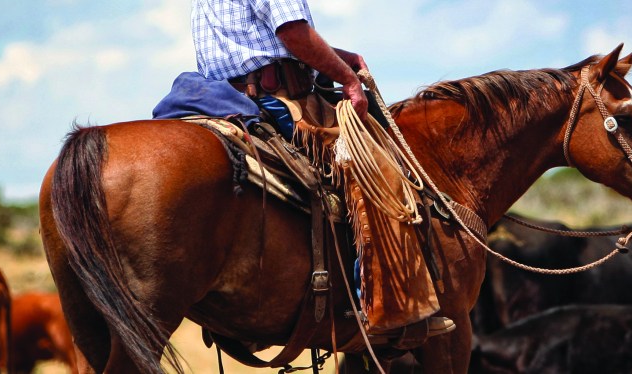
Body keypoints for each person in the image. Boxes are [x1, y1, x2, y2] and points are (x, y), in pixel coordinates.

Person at [188, 0, 454, 343]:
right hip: (277, 99)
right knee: (377, 168)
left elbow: (263, 40)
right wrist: (348, 80)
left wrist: (341, 56)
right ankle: (386, 308)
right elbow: (291, 32)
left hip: (222, 98)